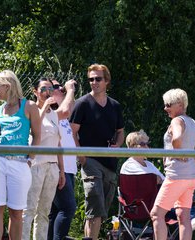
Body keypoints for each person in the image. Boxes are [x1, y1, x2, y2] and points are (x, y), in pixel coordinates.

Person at [150, 88, 195, 240]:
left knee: (156, 214)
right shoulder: (192, 122)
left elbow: (177, 138)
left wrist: (182, 153)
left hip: (176, 175)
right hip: (191, 177)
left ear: (179, 104)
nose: (165, 108)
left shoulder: (177, 121)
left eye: (168, 104)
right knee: (184, 217)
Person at [69, 64, 125, 240]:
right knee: (95, 205)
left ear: (106, 81)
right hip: (90, 161)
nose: (94, 82)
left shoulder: (115, 105)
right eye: (91, 79)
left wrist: (118, 145)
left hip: (109, 162)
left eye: (98, 79)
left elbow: (120, 131)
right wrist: (81, 155)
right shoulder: (82, 104)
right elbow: (72, 132)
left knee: (100, 211)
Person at [0, 70, 41, 240]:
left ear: (7, 86)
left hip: (19, 162)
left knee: (16, 212)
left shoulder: (29, 106)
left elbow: (38, 136)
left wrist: (30, 159)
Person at [22, 77, 76, 240]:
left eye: (50, 89)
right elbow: (35, 127)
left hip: (52, 167)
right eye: (44, 89)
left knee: (44, 212)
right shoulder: (31, 111)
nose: (48, 93)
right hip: (36, 165)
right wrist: (45, 105)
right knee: (29, 210)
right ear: (35, 92)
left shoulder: (53, 114)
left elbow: (58, 143)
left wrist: (60, 170)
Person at [47, 80, 77, 240]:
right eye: (58, 88)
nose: (62, 90)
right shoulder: (51, 114)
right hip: (59, 168)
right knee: (68, 208)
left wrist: (69, 92)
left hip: (68, 169)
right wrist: (70, 89)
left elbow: (69, 107)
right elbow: (65, 109)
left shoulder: (60, 113)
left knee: (55, 211)